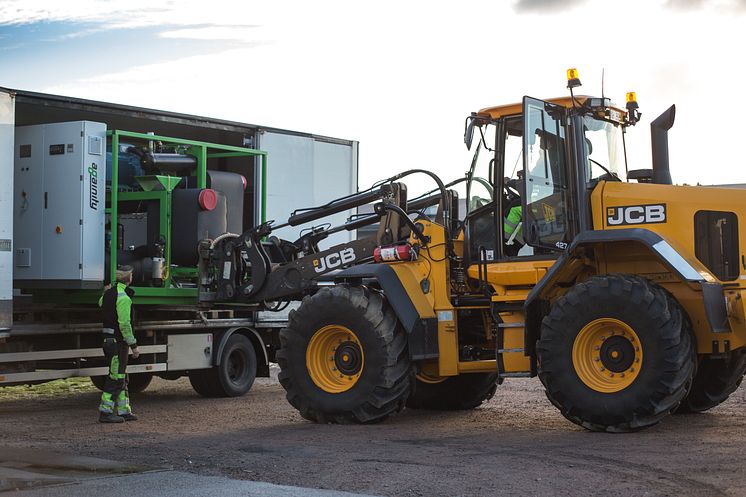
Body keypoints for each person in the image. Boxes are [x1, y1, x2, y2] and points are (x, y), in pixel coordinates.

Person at [98, 266, 139, 423]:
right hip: (118, 343)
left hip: (108, 341)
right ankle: (105, 412)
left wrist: (106, 292)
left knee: (120, 376)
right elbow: (124, 325)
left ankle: (123, 411)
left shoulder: (108, 294)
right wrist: (134, 345)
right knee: (116, 378)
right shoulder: (124, 298)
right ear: (129, 279)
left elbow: (101, 303)